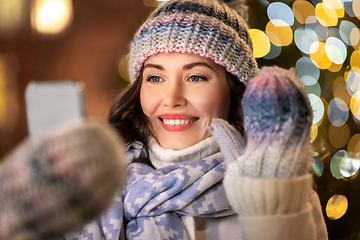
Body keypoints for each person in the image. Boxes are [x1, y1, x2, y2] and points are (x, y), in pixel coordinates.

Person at [64, 0, 328, 239]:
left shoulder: (289, 196)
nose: (172, 99)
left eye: (196, 77)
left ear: (234, 91)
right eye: (155, 78)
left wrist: (274, 211)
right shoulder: (99, 188)